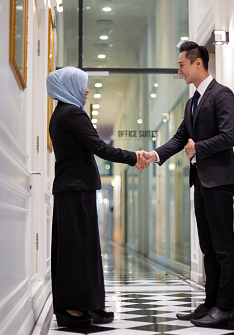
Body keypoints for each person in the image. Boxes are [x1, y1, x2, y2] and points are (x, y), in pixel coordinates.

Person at [142, 41, 234, 327]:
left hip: (220, 181)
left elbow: (229, 136)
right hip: (200, 182)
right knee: (208, 247)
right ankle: (211, 304)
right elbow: (178, 138)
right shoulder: (191, 102)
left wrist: (198, 147)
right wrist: (155, 154)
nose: (179, 70)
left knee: (223, 246)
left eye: (182, 64)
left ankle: (225, 308)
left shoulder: (222, 94)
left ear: (198, 63)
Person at [46, 66, 148, 328]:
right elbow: (100, 147)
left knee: (78, 249)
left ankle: (86, 304)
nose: (87, 90)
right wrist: (133, 157)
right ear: (69, 86)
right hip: (76, 190)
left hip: (71, 189)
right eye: (82, 85)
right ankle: (74, 309)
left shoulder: (60, 114)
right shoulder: (72, 114)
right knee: (78, 251)